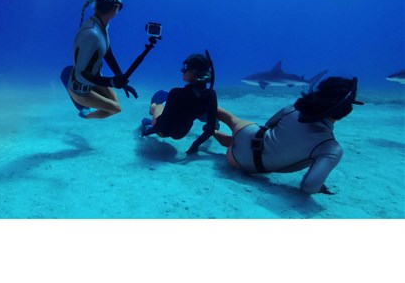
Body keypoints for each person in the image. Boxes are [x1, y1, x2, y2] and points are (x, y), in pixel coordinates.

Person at [213, 77, 364, 194]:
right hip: (241, 162)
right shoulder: (330, 148)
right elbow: (308, 187)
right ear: (345, 112)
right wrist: (318, 187)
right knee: (238, 146)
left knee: (233, 120)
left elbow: (268, 126)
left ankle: (207, 109)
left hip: (247, 132)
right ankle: (215, 134)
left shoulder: (292, 109)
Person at [64, 0, 138, 119]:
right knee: (116, 109)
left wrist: (120, 77)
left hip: (92, 77)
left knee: (114, 101)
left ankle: (87, 99)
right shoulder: (92, 34)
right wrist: (111, 82)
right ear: (116, 8)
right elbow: (82, 74)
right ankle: (85, 114)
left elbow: (108, 52)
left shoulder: (101, 26)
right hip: (80, 87)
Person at [141, 52, 218, 154]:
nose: (183, 71)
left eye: (186, 68)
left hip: (164, 132)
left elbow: (162, 124)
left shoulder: (176, 93)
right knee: (165, 95)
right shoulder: (211, 94)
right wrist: (194, 146)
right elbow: (210, 129)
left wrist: (148, 131)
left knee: (157, 104)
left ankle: (151, 114)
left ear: (193, 72)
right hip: (182, 133)